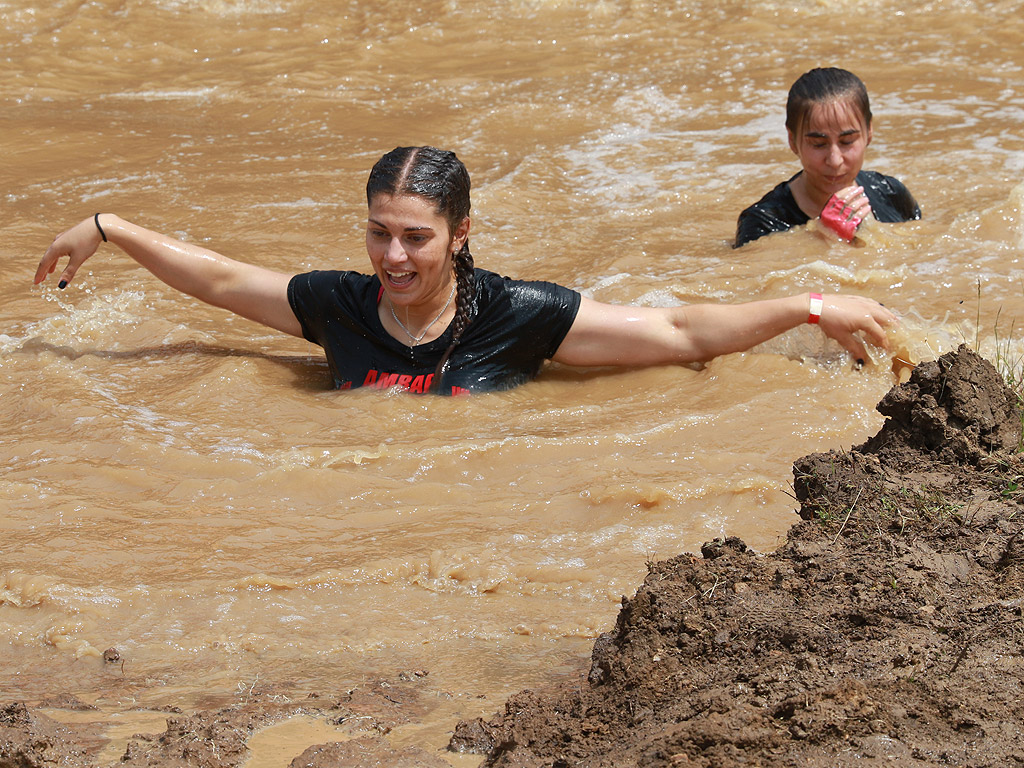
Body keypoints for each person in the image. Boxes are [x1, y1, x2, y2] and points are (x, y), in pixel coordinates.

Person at [36, 146, 896, 396]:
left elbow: (676, 334)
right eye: (378, 233)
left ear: (458, 236)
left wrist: (809, 305)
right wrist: (110, 227)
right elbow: (221, 281)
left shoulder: (518, 314)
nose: (392, 257)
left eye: (415, 237)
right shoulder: (335, 305)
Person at [734, 67, 920, 248]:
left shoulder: (890, 194)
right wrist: (823, 237)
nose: (834, 160)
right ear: (792, 140)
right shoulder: (762, 224)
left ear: (869, 132)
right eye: (818, 144)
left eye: (847, 141)